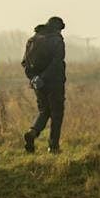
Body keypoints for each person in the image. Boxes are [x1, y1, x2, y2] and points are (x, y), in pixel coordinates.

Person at [21, 16, 67, 154]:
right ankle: (53, 147)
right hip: (54, 83)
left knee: (43, 111)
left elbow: (25, 63)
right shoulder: (57, 41)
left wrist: (34, 78)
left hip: (38, 85)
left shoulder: (33, 40)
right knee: (56, 114)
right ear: (58, 28)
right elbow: (57, 63)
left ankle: (32, 132)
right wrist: (43, 77)